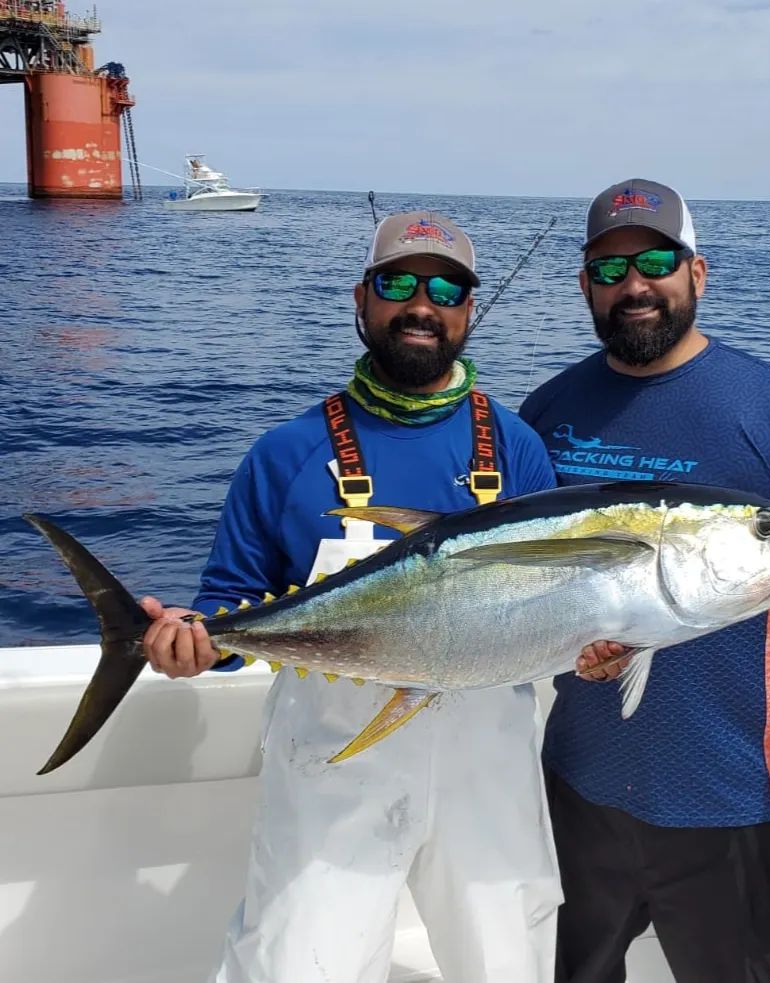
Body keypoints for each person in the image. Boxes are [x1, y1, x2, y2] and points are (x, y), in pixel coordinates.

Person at [140, 210, 563, 983]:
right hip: (330, 772)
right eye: (397, 282)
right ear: (361, 300)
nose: (421, 302)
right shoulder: (285, 454)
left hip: (488, 775)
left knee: (512, 965)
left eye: (445, 287)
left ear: (468, 309)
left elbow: (553, 607)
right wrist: (190, 642)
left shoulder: (515, 448)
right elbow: (228, 607)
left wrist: (597, 648)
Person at [520, 179, 770, 983]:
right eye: (608, 268)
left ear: (698, 272)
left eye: (655, 260)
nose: (634, 286)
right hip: (574, 783)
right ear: (585, 284)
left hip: (731, 792)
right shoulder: (547, 411)